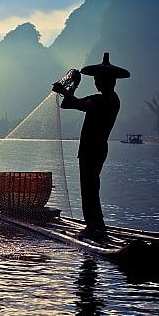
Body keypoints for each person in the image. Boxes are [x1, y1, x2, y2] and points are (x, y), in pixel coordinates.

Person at [53, 52, 130, 240]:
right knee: (89, 187)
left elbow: (79, 104)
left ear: (108, 82)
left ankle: (94, 226)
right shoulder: (101, 98)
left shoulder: (108, 100)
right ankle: (96, 224)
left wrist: (66, 91)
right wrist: (71, 88)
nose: (97, 82)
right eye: (96, 79)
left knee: (89, 187)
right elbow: (67, 104)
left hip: (94, 149)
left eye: (99, 79)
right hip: (90, 148)